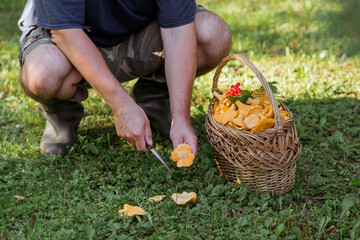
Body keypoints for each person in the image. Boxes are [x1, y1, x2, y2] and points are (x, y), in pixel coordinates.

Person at [17, 0, 232, 156]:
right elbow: (65, 32)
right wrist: (121, 106)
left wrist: (181, 117)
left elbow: (178, 30)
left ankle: (155, 96)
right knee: (43, 75)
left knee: (212, 34)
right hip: (67, 39)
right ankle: (61, 113)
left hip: (140, 32)